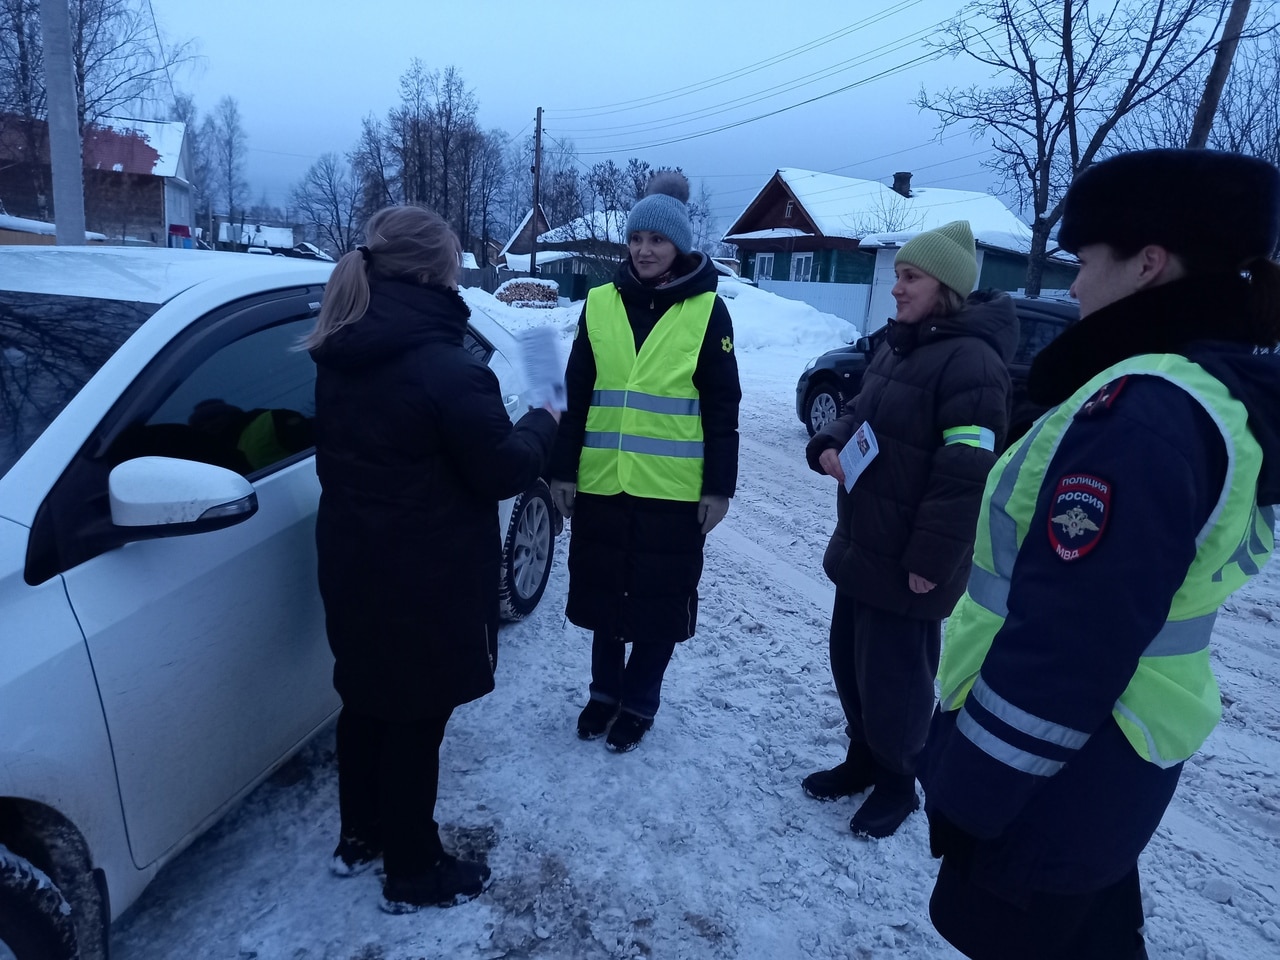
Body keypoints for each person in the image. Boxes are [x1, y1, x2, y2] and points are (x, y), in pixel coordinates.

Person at [921, 149, 1280, 960]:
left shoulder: (1142, 415)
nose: (1073, 286)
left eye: (1084, 263)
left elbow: (1067, 647)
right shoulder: (1207, 395)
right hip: (1113, 761)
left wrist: (972, 790)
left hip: (1056, 776)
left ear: (1148, 264)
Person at [305, 205, 558, 913]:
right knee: (416, 718)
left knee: (364, 700)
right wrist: (544, 421)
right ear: (433, 270)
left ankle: (361, 837)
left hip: (354, 560)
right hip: (425, 573)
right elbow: (502, 470)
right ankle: (413, 870)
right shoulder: (446, 365)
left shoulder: (342, 342)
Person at [801, 220, 1016, 839]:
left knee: (897, 680)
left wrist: (931, 559)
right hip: (864, 543)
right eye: (896, 274)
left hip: (909, 561)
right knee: (853, 664)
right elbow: (855, 412)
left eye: (910, 276)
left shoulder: (973, 363)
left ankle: (900, 782)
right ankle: (864, 759)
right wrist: (829, 445)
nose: (896, 287)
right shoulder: (901, 345)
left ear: (944, 285)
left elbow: (964, 472)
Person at [548, 170, 741, 753]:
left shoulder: (709, 312)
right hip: (604, 482)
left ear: (678, 245)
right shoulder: (600, 303)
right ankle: (604, 694)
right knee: (605, 596)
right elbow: (574, 391)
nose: (644, 250)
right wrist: (561, 468)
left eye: (657, 240)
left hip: (673, 490)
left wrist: (719, 487)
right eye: (637, 239)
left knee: (658, 603)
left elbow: (722, 406)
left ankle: (639, 702)